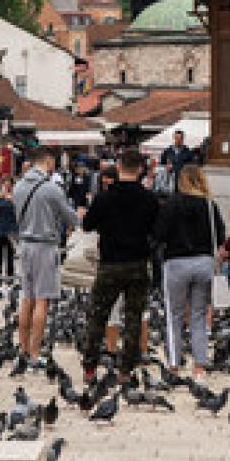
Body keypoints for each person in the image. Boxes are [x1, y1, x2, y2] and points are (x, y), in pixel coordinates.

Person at [81, 147, 161, 380]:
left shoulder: (104, 198)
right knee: (134, 317)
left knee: (98, 315)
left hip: (110, 263)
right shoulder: (149, 199)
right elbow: (157, 230)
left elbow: (87, 225)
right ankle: (126, 369)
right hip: (138, 262)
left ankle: (90, 367)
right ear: (140, 169)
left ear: (118, 167)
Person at [154, 163, 225, 380]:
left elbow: (159, 233)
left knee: (173, 315)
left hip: (176, 262)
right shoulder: (209, 205)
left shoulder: (171, 204)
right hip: (204, 262)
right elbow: (220, 236)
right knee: (199, 315)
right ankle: (199, 365)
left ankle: (174, 364)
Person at [13, 148, 78, 364]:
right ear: (48, 161)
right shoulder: (52, 188)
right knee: (42, 300)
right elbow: (71, 218)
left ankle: (22, 349)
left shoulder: (18, 186)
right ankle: (34, 353)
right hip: (45, 245)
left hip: (25, 244)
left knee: (27, 298)